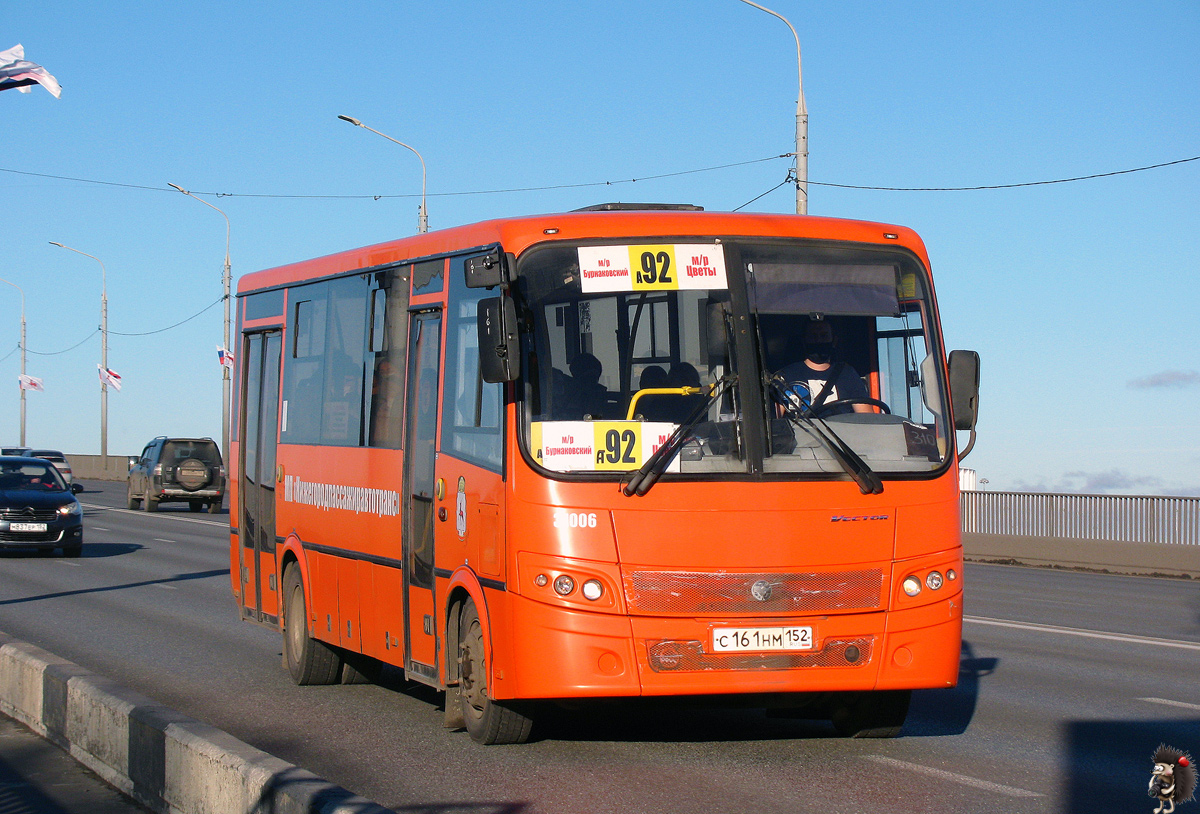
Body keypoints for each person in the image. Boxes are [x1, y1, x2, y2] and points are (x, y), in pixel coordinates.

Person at [775, 318, 872, 415]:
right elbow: (776, 421)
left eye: (824, 336)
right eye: (813, 336)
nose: (818, 341)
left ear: (834, 341)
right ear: (804, 341)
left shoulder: (847, 374)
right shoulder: (786, 376)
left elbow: (866, 418)